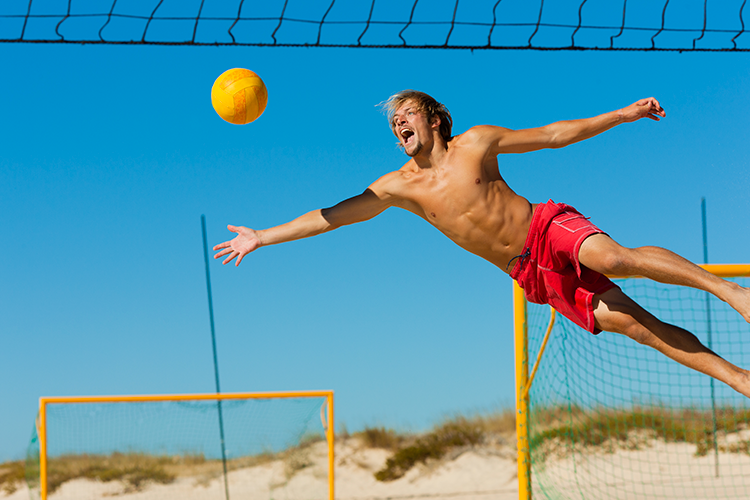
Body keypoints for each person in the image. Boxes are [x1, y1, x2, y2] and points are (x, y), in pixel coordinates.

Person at [214, 90, 750, 397]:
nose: (399, 120)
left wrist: (622, 115)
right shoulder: (398, 186)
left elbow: (557, 133)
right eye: (393, 120)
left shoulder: (476, 143)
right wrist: (263, 236)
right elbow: (331, 217)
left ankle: (728, 292)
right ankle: (740, 379)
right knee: (643, 330)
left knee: (616, 258)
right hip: (530, 274)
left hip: (545, 227)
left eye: (407, 111)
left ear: (435, 118)